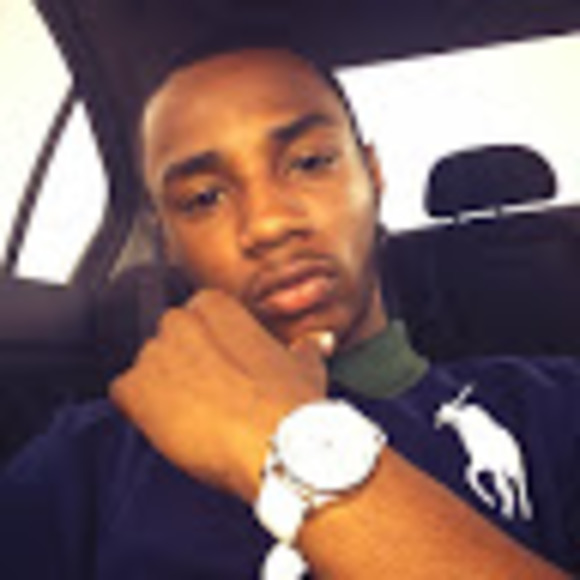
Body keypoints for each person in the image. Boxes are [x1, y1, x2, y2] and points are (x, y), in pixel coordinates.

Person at [1, 43, 579, 579]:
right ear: (168, 241)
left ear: (373, 175)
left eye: (309, 162)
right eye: (204, 198)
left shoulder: (555, 411)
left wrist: (280, 440)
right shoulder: (84, 461)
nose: (269, 224)